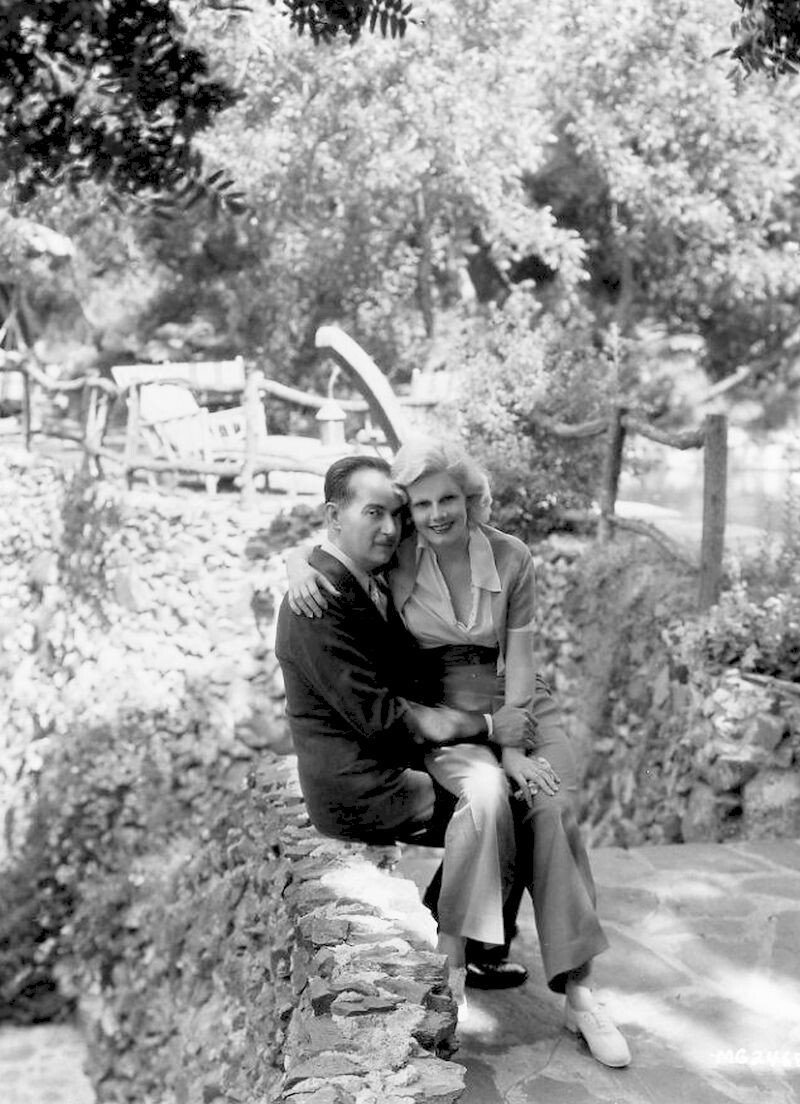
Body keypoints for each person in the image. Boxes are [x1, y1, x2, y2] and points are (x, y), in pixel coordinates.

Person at [284, 439, 631, 1068]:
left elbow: (520, 658)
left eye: (447, 499)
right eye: (419, 505)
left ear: (470, 498)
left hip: (517, 699)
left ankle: (582, 994)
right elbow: (340, 547)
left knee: (553, 807)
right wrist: (295, 563)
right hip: (449, 707)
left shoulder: (512, 556)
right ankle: (456, 964)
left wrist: (515, 742)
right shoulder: (400, 553)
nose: (433, 514)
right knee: (490, 798)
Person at [274, 455, 534, 1005]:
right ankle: (452, 953)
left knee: (514, 796)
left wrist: (296, 557)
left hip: (390, 758)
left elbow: (442, 528)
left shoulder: (364, 573)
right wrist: (488, 724)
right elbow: (385, 720)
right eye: (374, 513)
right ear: (334, 517)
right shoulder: (316, 604)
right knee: (502, 804)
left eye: (396, 514)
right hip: (361, 786)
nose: (391, 528)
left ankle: (472, 942)